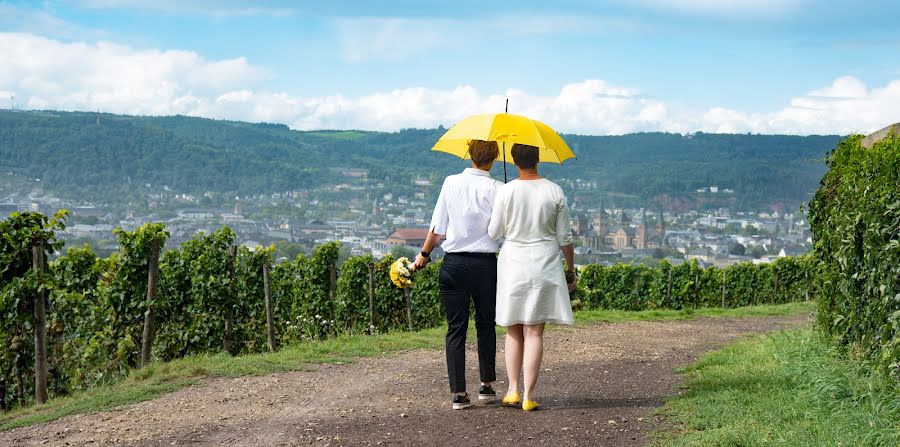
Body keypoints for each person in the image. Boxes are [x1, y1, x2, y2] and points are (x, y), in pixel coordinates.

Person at [413, 139, 503, 410]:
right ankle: (486, 386)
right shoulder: (499, 188)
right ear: (494, 158)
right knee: (486, 324)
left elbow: (437, 228)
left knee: (456, 328)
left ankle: (458, 393)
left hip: (453, 265)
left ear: (469, 154)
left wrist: (424, 256)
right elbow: (501, 230)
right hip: (486, 265)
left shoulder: (450, 182)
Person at [487, 143, 577, 412]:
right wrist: (570, 271)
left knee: (513, 328)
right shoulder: (555, 190)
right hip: (545, 262)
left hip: (513, 263)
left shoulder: (506, 191)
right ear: (538, 159)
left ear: (514, 161)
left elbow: (494, 232)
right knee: (534, 331)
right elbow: (565, 238)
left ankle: (512, 390)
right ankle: (529, 395)